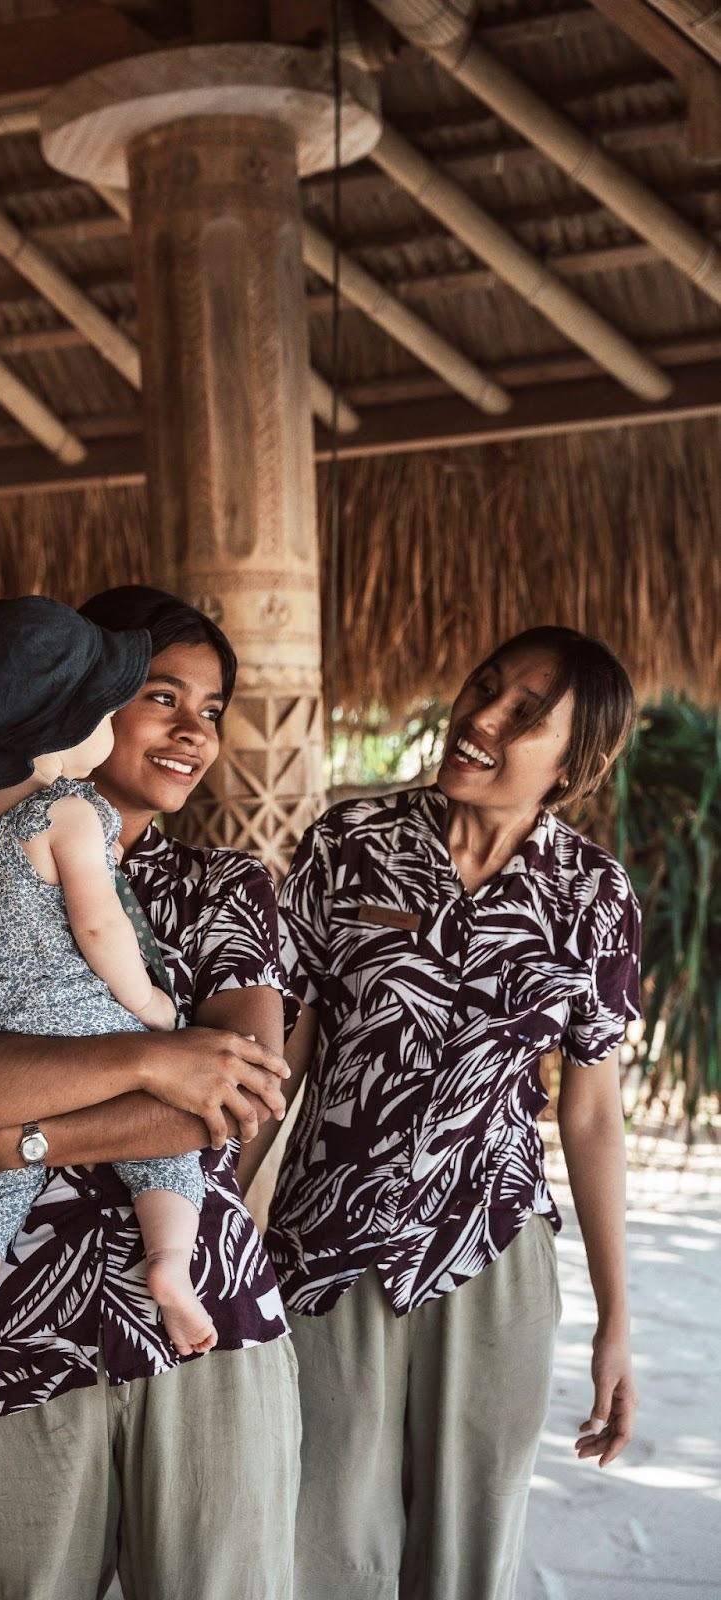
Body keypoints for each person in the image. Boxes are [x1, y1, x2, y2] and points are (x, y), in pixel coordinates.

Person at [0, 585, 301, 1600]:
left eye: (211, 706)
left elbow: (237, 1095)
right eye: (160, 694)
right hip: (12, 1327)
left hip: (207, 1323)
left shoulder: (226, 887)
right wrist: (149, 1058)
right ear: (80, 707)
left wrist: (13, 1138)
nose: (192, 729)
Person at [239, 625, 642, 1600]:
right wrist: (216, 1238)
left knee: (467, 1549)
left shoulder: (592, 894)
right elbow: (272, 1062)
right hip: (327, 1244)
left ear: (574, 762)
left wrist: (615, 1320)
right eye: (485, 689)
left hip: (491, 1251)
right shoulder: (350, 843)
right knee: (318, 1539)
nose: (481, 719)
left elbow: (588, 1113)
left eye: (523, 717)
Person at [0, 595, 218, 1418]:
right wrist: (148, 1006)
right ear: (70, 726)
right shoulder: (70, 811)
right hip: (79, 1021)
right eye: (114, 710)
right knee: (167, 1150)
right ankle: (169, 1267)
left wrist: (16, 1131)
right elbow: (98, 924)